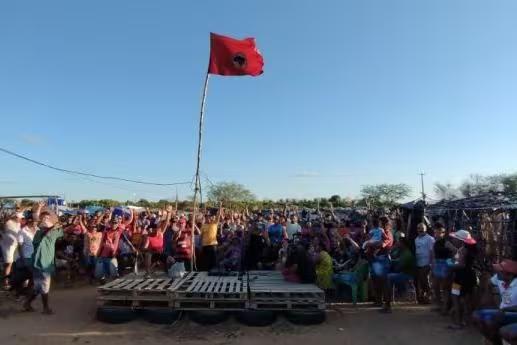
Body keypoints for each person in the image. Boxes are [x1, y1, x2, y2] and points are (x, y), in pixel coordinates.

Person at [24, 210, 63, 314]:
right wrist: (52, 227)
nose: (46, 219)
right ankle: (45, 308)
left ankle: (27, 303)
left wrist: (58, 224)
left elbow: (61, 232)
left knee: (38, 287)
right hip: (39, 262)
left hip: (47, 262)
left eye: (47, 218)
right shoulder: (39, 232)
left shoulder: (54, 231)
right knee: (44, 286)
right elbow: (42, 238)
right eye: (44, 218)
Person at [473, 259, 517, 344]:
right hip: (502, 311)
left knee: (491, 320)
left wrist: (505, 310)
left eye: (500, 271)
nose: (497, 273)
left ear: (510, 275)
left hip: (513, 313)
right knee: (477, 315)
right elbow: (490, 283)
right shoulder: (499, 278)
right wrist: (488, 296)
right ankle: (493, 341)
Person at [448, 229, 477, 330]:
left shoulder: (462, 250)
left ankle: (458, 322)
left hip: (460, 278)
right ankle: (467, 321)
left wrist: (450, 267)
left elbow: (461, 265)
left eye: (456, 238)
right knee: (467, 300)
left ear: (461, 241)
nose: (454, 240)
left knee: (455, 298)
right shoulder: (469, 250)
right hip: (469, 277)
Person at [382, 236, 416, 313]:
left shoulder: (407, 254)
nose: (397, 244)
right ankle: (387, 303)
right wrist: (393, 249)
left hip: (407, 275)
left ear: (403, 244)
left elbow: (399, 268)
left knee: (388, 278)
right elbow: (393, 256)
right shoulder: (402, 251)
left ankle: (388, 304)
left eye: (399, 243)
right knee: (387, 277)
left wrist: (393, 262)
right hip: (403, 273)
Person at [431, 222, 456, 314]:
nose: (437, 234)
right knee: (435, 286)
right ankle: (439, 305)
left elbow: (455, 252)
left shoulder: (446, 242)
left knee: (445, 287)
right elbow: (434, 255)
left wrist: (450, 263)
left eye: (440, 232)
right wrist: (433, 265)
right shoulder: (435, 242)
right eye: (436, 232)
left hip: (445, 264)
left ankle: (445, 307)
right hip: (437, 265)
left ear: (443, 233)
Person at [1, 210, 24, 290]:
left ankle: (13, 281)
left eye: (21, 218)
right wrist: (13, 214)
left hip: (15, 245)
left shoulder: (18, 223)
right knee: (8, 264)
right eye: (19, 218)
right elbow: (5, 220)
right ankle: (6, 282)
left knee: (15, 263)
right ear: (15, 217)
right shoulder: (8, 222)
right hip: (7, 246)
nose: (21, 219)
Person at [414, 222, 435, 304]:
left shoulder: (430, 239)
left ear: (426, 229)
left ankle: (430, 293)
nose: (421, 230)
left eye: (422, 228)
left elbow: (432, 251)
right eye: (419, 228)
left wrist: (431, 263)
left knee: (424, 278)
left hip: (427, 263)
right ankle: (425, 297)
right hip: (418, 263)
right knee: (421, 280)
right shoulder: (416, 239)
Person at [200, 205, 222, 271]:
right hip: (205, 245)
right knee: (206, 260)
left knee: (213, 260)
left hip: (213, 245)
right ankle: (206, 271)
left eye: (209, 217)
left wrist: (220, 206)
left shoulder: (215, 223)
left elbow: (218, 215)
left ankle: (214, 271)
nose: (208, 218)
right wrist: (201, 245)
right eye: (207, 217)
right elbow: (201, 236)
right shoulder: (203, 226)